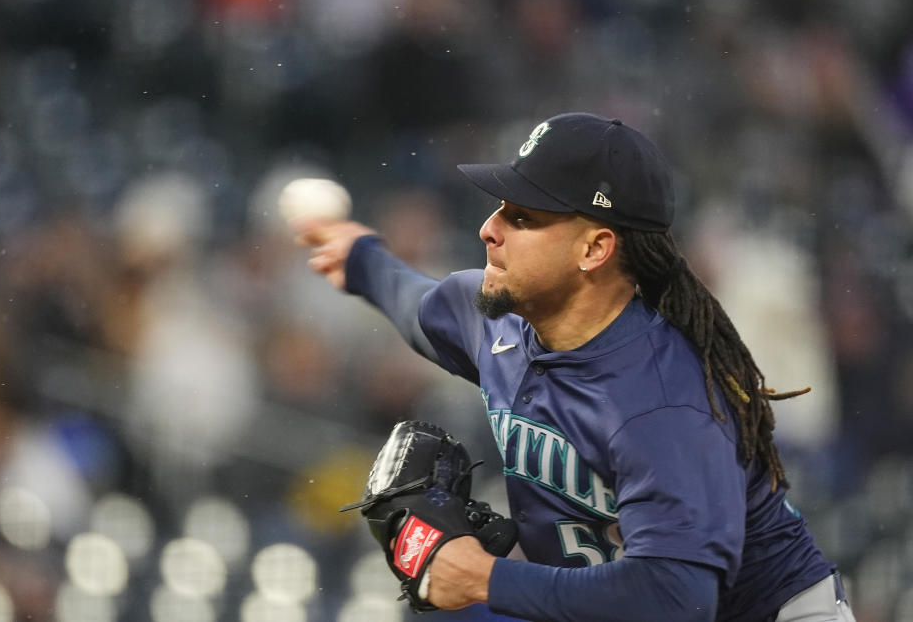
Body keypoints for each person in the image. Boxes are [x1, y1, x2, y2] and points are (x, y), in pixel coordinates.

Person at [293, 113, 853, 621]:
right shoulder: (503, 323)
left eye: (523, 216)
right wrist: (360, 256)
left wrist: (485, 578)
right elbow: (416, 304)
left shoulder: (660, 401)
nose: (490, 229)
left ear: (595, 249)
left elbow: (677, 599)